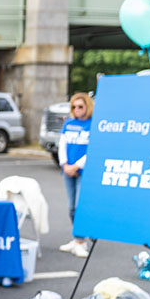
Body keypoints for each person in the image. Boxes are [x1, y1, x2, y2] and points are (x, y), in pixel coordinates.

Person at [58, 92, 94, 259]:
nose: (77, 109)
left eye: (80, 106)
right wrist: (65, 164)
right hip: (68, 170)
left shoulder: (93, 124)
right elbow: (62, 145)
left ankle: (80, 241)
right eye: (74, 106)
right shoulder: (69, 123)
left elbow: (93, 149)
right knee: (71, 207)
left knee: (80, 207)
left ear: (87, 106)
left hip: (83, 172)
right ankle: (77, 238)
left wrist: (76, 166)